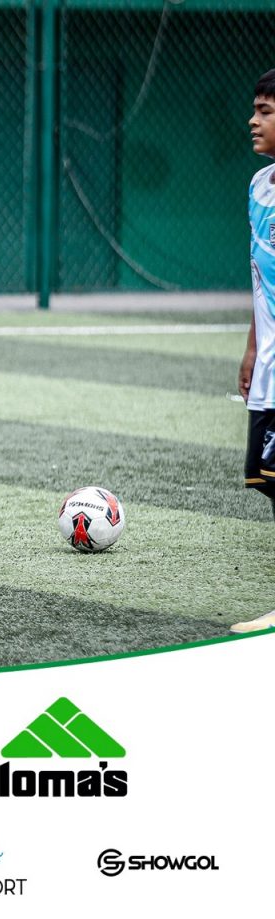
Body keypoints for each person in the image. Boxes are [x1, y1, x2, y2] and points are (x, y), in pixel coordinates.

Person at [231, 68, 275, 631]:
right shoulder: (260, 186)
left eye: (265, 110)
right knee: (264, 476)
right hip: (268, 365)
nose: (253, 120)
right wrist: (252, 348)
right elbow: (261, 278)